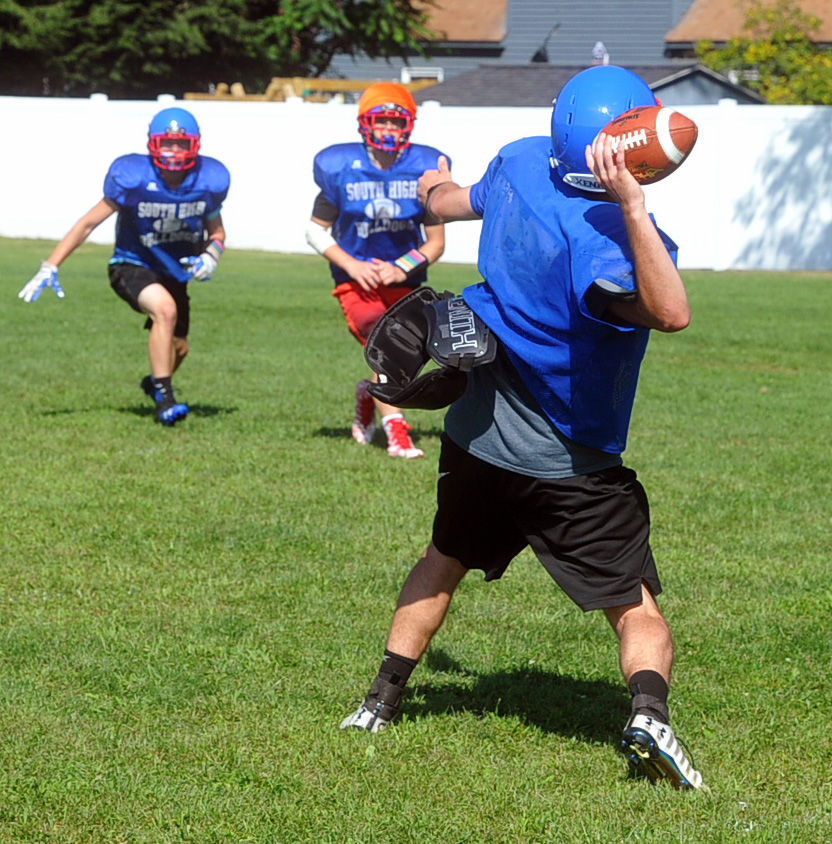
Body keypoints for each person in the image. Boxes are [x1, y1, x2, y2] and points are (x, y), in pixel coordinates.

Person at [339, 66, 703, 790]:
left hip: (478, 436)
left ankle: (379, 702)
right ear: (624, 141)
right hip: (570, 461)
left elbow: (448, 197)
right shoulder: (609, 236)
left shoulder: (516, 160)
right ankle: (650, 715)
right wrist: (632, 205)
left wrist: (426, 186)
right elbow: (671, 311)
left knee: (443, 556)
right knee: (633, 604)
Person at [18, 107, 230, 426]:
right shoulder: (133, 178)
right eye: (167, 142)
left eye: (181, 144)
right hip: (131, 265)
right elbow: (87, 224)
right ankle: (166, 401)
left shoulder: (207, 181)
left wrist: (211, 256)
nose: (174, 151)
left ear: (195, 146)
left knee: (179, 347)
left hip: (174, 272)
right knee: (165, 311)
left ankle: (155, 382)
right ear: (152, 144)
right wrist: (51, 264)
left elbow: (217, 232)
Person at [306, 82, 450, 458]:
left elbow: (435, 243)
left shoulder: (423, 170)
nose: (387, 129)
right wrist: (352, 265)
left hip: (405, 282)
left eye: (394, 121)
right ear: (364, 124)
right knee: (381, 338)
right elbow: (314, 230)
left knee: (399, 351)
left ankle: (368, 394)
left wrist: (400, 268)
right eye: (380, 121)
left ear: (409, 126)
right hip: (357, 282)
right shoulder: (342, 169)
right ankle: (397, 432)